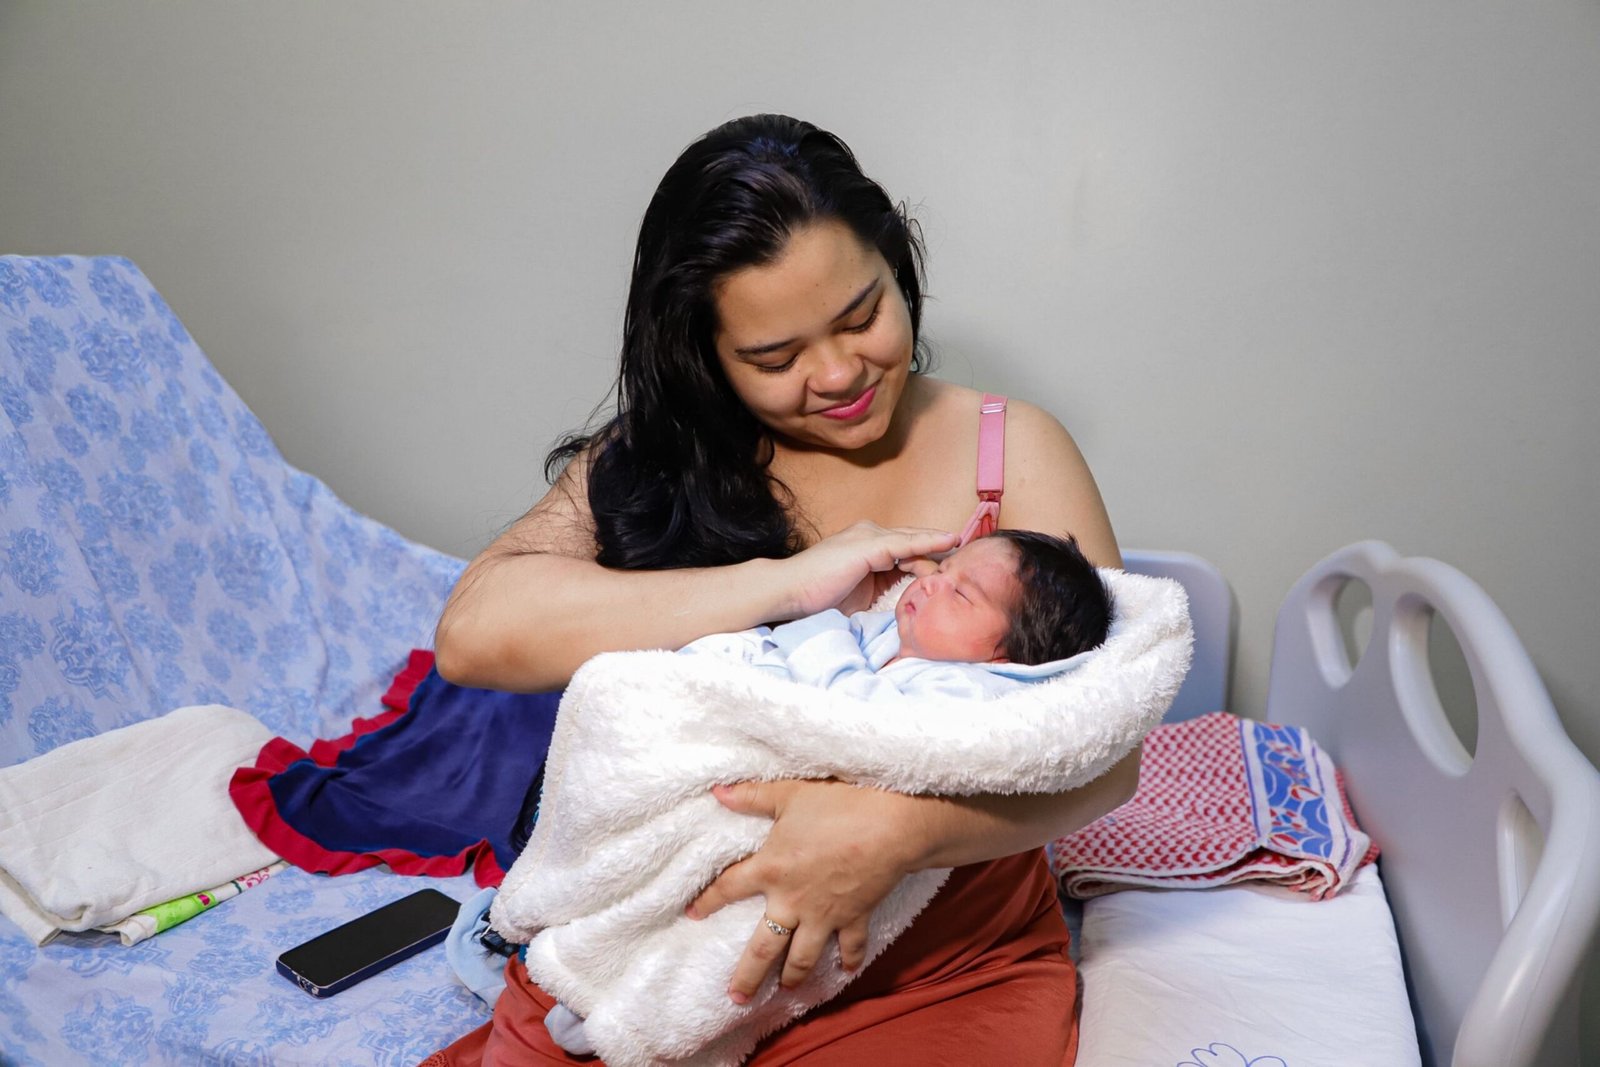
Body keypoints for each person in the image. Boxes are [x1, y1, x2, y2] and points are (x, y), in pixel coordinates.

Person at [425, 113, 1134, 1065]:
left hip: (941, 963)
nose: (838, 374)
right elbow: (473, 634)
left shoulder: (1011, 452)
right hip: (673, 962)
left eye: (862, 316)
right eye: (774, 358)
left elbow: (1110, 751)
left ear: (898, 268)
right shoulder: (663, 462)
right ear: (707, 355)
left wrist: (892, 831)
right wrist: (786, 582)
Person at [680, 530, 1114, 704]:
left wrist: (820, 639)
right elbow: (808, 636)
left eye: (961, 593)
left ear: (1003, 656)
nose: (930, 583)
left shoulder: (965, 691)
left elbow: (871, 724)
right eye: (942, 570)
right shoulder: (892, 629)